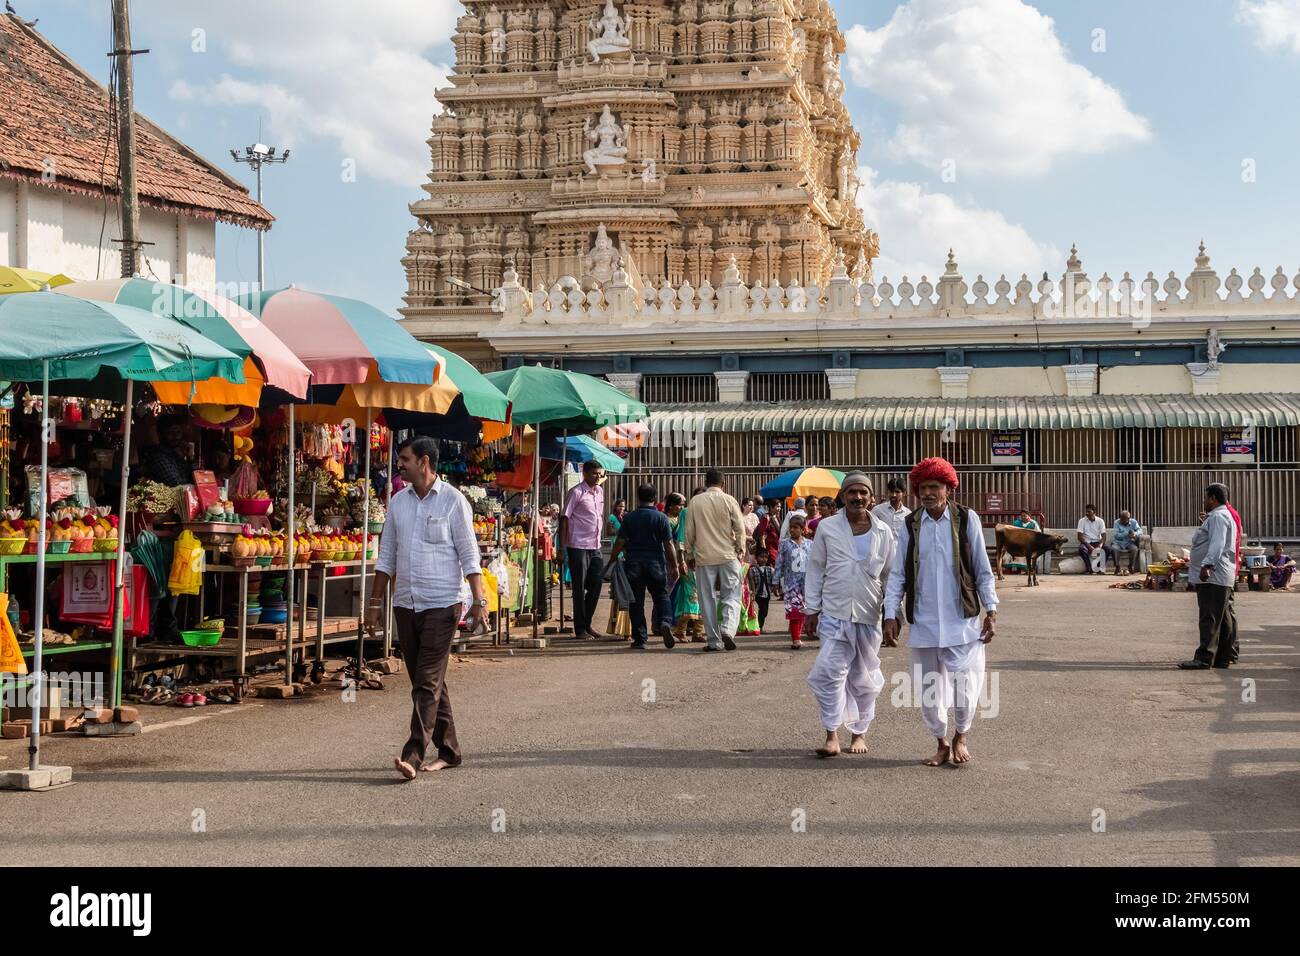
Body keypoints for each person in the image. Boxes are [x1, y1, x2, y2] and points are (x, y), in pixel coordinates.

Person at [367, 437, 486, 781]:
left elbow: (469, 554)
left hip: (443, 602)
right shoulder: (399, 503)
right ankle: (449, 751)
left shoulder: (453, 501)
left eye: (404, 459)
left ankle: (413, 754)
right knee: (428, 681)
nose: (399, 465)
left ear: (423, 462)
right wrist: (374, 605)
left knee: (427, 680)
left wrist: (478, 601)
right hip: (406, 602)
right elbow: (386, 556)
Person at [884, 457, 999, 767]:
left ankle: (962, 734)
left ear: (949, 488)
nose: (928, 493)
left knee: (966, 683)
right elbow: (898, 573)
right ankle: (941, 741)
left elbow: (981, 569)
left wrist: (991, 609)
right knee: (928, 689)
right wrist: (891, 613)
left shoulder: (966, 518)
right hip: (924, 620)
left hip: (962, 619)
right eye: (922, 488)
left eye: (934, 487)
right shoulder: (911, 524)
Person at [804, 472, 895, 757]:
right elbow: (816, 568)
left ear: (871, 498)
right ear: (843, 496)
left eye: (863, 493)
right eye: (852, 492)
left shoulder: (884, 531)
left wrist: (893, 613)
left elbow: (891, 576)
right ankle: (831, 733)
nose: (857, 497)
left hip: (869, 614)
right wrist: (811, 609)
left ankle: (859, 734)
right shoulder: (828, 528)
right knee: (829, 672)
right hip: (834, 612)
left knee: (864, 677)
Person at [606, 484, 677, 649]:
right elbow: (669, 544)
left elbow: (620, 542)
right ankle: (665, 622)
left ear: (638, 497)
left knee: (636, 601)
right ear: (654, 497)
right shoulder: (661, 518)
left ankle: (640, 639)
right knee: (661, 596)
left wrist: (612, 559)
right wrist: (673, 566)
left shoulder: (630, 518)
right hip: (656, 564)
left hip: (634, 564)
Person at [683, 469, 746, 652]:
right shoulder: (729, 500)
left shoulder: (696, 501)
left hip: (704, 557)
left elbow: (689, 531)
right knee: (732, 595)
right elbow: (740, 528)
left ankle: (713, 641)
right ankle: (727, 629)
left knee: (706, 599)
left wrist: (689, 554)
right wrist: (740, 549)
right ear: (723, 483)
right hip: (728, 556)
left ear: (706, 482)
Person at [1180, 483, 1239, 670]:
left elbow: (1217, 544)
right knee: (1223, 618)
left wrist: (1207, 565)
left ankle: (1204, 657)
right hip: (1221, 574)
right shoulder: (1218, 516)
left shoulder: (1219, 517)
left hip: (1214, 575)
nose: (1204, 501)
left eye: (1206, 498)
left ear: (1213, 498)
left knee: (1209, 617)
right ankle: (1223, 657)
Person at [559, 460, 608, 641]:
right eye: (594, 473)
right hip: (577, 546)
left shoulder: (600, 492)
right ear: (585, 474)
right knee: (579, 588)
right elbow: (564, 519)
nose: (598, 476)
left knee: (596, 585)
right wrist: (562, 548)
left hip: (595, 546)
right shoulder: (576, 492)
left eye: (599, 473)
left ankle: (587, 624)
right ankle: (580, 629)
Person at [774, 514, 813, 649]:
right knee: (795, 610)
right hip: (791, 583)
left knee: (804, 610)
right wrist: (776, 581)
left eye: (795, 528)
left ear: (803, 529)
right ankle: (796, 639)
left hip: (806, 583)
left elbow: (814, 564)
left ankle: (798, 631)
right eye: (791, 528)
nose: (792, 530)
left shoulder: (810, 544)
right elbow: (779, 563)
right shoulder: (784, 544)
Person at [141, 414, 192, 486]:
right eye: (170, 433)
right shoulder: (159, 457)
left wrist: (189, 458)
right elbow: (176, 484)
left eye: (178, 432)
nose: (176, 436)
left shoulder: (176, 454)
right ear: (161, 434)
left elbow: (195, 478)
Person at [1107, 510, 1144, 575]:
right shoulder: (1116, 522)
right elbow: (1116, 535)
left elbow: (1140, 530)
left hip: (1129, 542)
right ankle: (1117, 567)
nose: (1124, 520)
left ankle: (1131, 566)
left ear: (1128, 518)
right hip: (1118, 542)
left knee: (1135, 549)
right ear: (1120, 518)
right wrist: (1127, 534)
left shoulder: (1133, 522)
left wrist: (1135, 534)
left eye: (1126, 519)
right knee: (1114, 549)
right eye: (1122, 519)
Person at [1003, 508, 1040, 573]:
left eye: (1025, 516)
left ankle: (1028, 569)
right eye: (1022, 516)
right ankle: (1015, 569)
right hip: (1018, 543)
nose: (1023, 517)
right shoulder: (1016, 523)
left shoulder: (1033, 524)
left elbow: (1038, 534)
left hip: (1029, 544)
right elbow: (1012, 533)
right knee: (1009, 550)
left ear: (1029, 516)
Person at [748, 548, 774, 630]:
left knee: (765, 611)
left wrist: (776, 589)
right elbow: (750, 581)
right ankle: (759, 626)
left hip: (767, 594)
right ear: (756, 558)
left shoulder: (770, 569)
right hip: (758, 593)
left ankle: (760, 624)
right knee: (762, 609)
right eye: (761, 557)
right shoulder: (753, 569)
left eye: (766, 557)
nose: (764, 559)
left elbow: (774, 580)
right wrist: (752, 591)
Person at [1076, 504, 1106, 573]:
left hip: (1097, 542)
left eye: (1089, 511)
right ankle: (1089, 568)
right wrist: (1089, 546)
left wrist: (1100, 545)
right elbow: (1079, 537)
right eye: (1086, 512)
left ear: (1094, 512)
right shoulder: (1082, 521)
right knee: (1082, 549)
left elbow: (1104, 536)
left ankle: (1100, 568)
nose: (1086, 513)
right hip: (1086, 542)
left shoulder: (1100, 521)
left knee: (1108, 549)